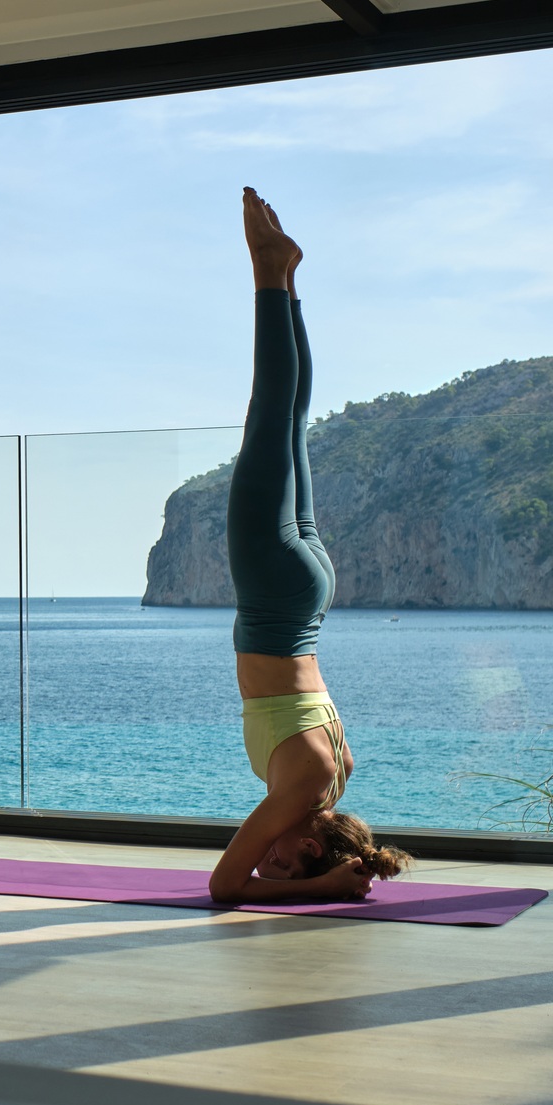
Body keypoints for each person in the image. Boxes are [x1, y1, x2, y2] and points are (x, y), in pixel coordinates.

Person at [206, 188, 411, 905]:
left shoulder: (336, 773)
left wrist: (323, 872)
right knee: (269, 415)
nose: (271, 860)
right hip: (272, 594)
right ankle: (269, 274)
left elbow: (264, 865)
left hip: (309, 595)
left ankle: (289, 284)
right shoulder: (297, 793)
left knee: (290, 423)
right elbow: (224, 886)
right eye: (289, 862)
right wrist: (322, 887)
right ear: (314, 842)